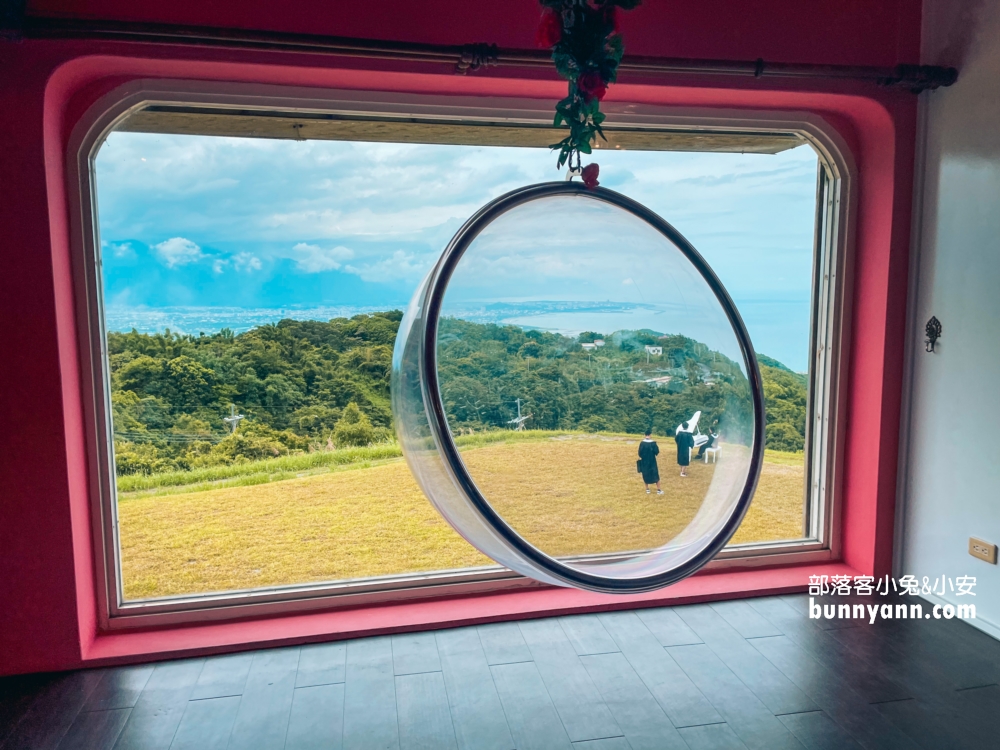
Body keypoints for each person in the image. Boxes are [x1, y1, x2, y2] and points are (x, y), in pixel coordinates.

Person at [637, 430, 663, 494]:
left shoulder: (642, 443)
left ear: (645, 434)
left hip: (644, 461)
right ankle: (658, 490)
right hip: (652, 461)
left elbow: (640, 453)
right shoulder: (653, 443)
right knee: (655, 474)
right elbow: (657, 452)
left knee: (645, 474)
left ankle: (647, 489)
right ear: (650, 434)